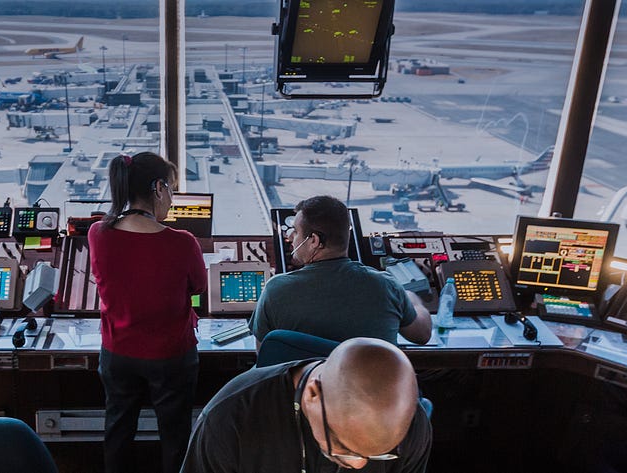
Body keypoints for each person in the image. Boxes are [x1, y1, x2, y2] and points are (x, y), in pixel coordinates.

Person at [88, 152, 207, 473]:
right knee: (175, 436)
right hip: (171, 356)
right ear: (157, 188)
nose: (171, 197)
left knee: (118, 429)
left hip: (118, 353)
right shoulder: (183, 242)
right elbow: (198, 287)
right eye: (170, 188)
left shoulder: (98, 233)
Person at [181, 338, 432, 473]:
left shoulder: (414, 425)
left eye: (380, 453)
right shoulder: (230, 418)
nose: (358, 464)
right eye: (344, 448)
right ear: (313, 393)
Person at [250, 195, 432, 346]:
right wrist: (413, 300)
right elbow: (422, 335)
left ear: (314, 240)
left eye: (295, 232)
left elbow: (263, 356)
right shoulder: (387, 286)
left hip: (306, 389)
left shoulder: (275, 290)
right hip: (370, 389)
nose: (290, 237)